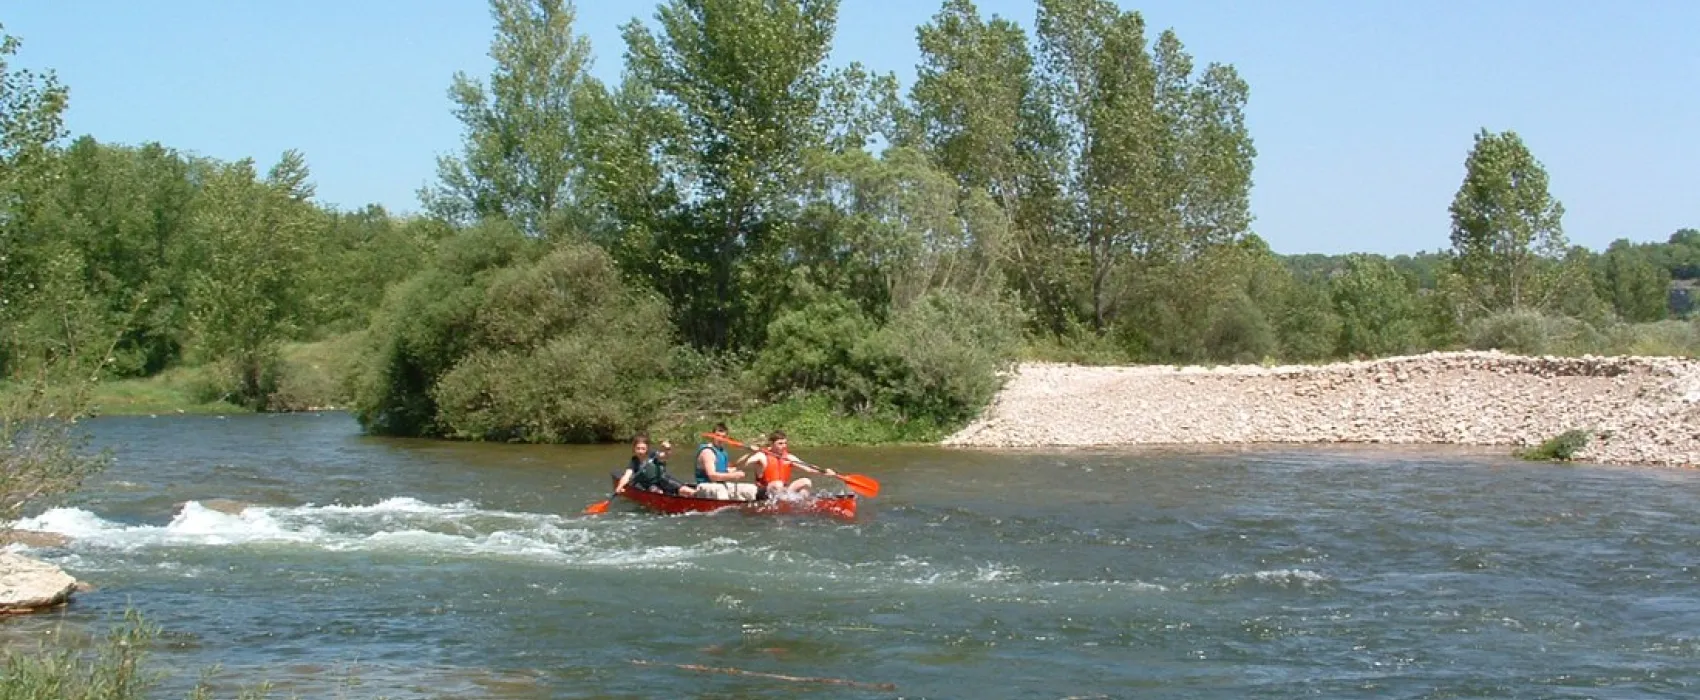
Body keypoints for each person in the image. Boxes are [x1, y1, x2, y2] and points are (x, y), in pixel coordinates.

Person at [738, 429, 838, 500]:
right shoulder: (761, 455)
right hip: (764, 492)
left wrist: (825, 471)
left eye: (785, 443)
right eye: (780, 443)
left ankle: (802, 505)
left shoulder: (788, 457)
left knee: (806, 481)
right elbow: (740, 466)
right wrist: (749, 452)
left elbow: (808, 468)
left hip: (783, 492)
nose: (784, 446)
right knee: (778, 484)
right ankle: (784, 503)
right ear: (772, 444)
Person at [614, 432, 696, 497]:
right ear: (634, 449)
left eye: (643, 449)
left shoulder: (653, 455)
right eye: (638, 448)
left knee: (685, 490)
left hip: (663, 479)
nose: (640, 451)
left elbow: (665, 456)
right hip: (650, 485)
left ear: (647, 449)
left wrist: (668, 449)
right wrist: (619, 486)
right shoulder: (634, 461)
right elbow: (626, 476)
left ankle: (700, 498)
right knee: (659, 493)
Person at [694, 423, 756, 501]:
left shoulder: (722, 451)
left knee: (750, 489)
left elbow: (733, 466)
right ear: (712, 436)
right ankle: (726, 511)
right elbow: (712, 476)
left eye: (723, 437)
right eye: (717, 436)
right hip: (706, 485)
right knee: (721, 491)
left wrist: (750, 453)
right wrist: (733, 476)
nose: (720, 439)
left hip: (721, 484)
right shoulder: (708, 452)